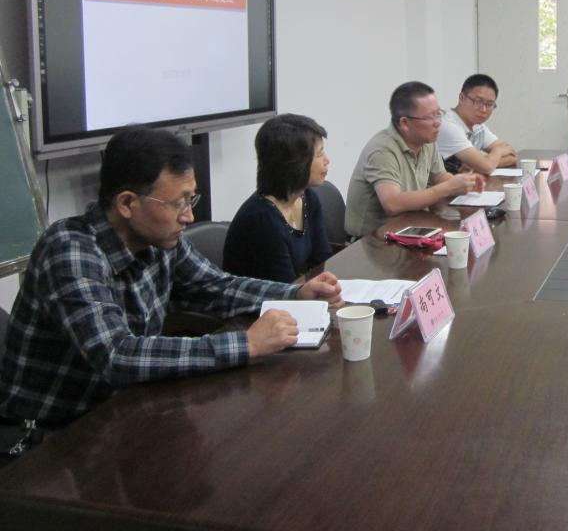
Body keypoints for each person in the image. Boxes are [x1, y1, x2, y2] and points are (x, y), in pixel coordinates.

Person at [0, 127, 343, 430]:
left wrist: (295, 293)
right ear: (127, 203)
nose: (189, 216)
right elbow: (117, 355)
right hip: (51, 436)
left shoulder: (160, 239)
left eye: (191, 200)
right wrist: (245, 344)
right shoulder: (71, 251)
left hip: (124, 410)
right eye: (178, 204)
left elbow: (217, 287)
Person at [345, 81, 486, 239]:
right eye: (430, 117)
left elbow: (439, 176)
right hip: (372, 241)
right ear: (405, 123)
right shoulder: (382, 150)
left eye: (438, 113)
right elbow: (392, 204)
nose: (438, 122)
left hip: (411, 228)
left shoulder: (426, 141)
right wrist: (448, 188)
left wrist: (463, 183)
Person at [223, 114, 335, 284]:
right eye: (319, 154)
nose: (327, 160)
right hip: (265, 299)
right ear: (295, 162)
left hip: (297, 293)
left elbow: (322, 261)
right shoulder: (261, 218)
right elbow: (283, 287)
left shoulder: (309, 198)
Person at [437, 74, 518, 174]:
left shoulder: (477, 125)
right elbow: (487, 167)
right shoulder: (448, 126)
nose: (483, 109)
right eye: (478, 101)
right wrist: (498, 152)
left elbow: (512, 155)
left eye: (489, 104)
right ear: (462, 98)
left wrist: (481, 163)